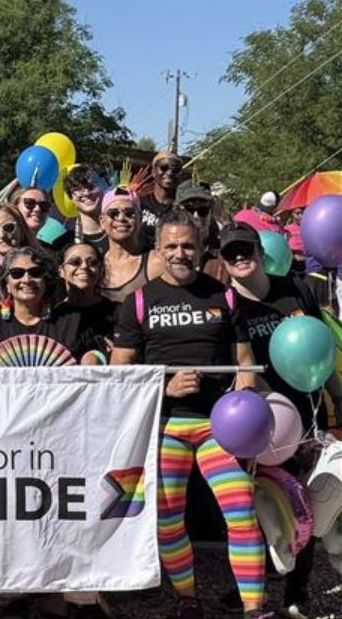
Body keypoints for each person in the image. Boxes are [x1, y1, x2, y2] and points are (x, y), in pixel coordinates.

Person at [111, 212, 267, 619]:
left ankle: (255, 609)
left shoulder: (225, 295)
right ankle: (186, 599)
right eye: (172, 246)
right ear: (159, 250)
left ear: (201, 249)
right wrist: (165, 387)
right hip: (167, 427)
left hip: (220, 427)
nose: (180, 253)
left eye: (188, 246)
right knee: (167, 520)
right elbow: (119, 372)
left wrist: (246, 407)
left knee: (242, 512)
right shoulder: (139, 301)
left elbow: (245, 362)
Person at [221, 221, 336, 618]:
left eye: (246, 249)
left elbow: (322, 350)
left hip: (304, 414)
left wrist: (338, 398)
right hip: (255, 421)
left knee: (303, 503)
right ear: (222, 259)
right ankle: (250, 587)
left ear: (259, 251)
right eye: (230, 252)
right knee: (250, 508)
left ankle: (297, 589)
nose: (240, 258)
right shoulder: (225, 303)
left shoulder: (295, 288)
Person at [0, 246, 101, 368]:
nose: (27, 280)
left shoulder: (72, 324)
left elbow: (97, 356)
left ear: (46, 282)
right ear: (7, 285)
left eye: (35, 272)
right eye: (17, 273)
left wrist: (93, 356)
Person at [100, 188, 164, 304]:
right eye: (113, 213)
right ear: (102, 221)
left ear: (140, 219)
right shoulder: (94, 264)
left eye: (130, 213)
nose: (121, 218)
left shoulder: (156, 262)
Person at [57, 242, 118, 360]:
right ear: (61, 271)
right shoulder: (54, 318)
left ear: (100, 270)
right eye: (75, 262)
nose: (84, 266)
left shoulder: (120, 313)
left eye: (93, 263)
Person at [176, 180, 227, 283]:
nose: (196, 216)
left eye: (202, 210)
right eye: (189, 209)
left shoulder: (225, 244)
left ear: (211, 210)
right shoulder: (168, 245)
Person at [52, 166, 107, 256]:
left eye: (91, 186)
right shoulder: (62, 244)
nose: (86, 193)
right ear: (71, 198)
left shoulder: (120, 233)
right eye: (78, 189)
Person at [139, 151, 183, 242]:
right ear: (153, 172)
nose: (170, 172)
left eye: (176, 170)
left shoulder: (182, 207)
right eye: (164, 168)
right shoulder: (139, 202)